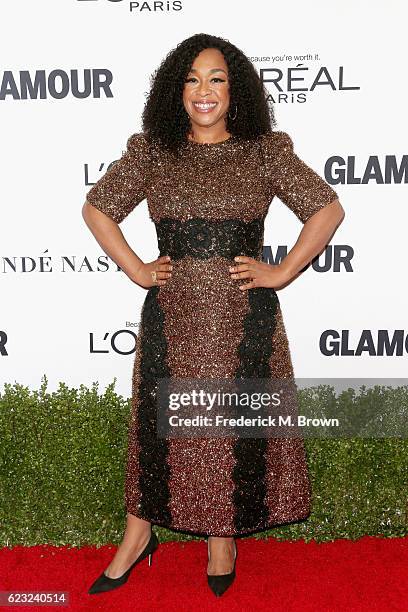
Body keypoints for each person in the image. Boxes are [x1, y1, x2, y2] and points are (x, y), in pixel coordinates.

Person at [83, 33, 345, 598]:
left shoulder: (264, 151)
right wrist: (135, 267)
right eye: (193, 80)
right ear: (176, 91)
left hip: (243, 317)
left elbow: (327, 210)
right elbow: (97, 209)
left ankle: (223, 538)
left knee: (230, 426)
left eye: (217, 79)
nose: (205, 92)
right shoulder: (154, 150)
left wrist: (281, 271)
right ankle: (138, 534)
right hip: (173, 316)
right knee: (161, 428)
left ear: (236, 89)